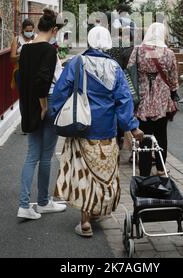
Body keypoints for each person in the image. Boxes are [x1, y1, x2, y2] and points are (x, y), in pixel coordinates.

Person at [52, 26, 143, 238]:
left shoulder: (77, 63)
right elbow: (124, 100)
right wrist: (132, 126)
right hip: (107, 130)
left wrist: (55, 114)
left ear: (90, 41)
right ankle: (96, 211)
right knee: (103, 172)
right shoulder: (114, 68)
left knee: (83, 173)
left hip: (82, 127)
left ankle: (85, 222)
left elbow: (60, 91)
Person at [17, 9, 66, 220]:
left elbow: (23, 78)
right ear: (54, 29)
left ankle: (24, 205)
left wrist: (32, 104)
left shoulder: (26, 49)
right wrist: (44, 104)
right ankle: (44, 202)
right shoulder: (49, 50)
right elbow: (43, 80)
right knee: (46, 156)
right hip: (48, 102)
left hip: (29, 104)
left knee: (31, 156)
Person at [127, 22, 179, 177]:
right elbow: (174, 79)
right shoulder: (169, 53)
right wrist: (173, 92)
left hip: (142, 99)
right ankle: (161, 169)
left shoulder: (137, 51)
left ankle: (144, 172)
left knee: (144, 137)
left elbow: (129, 72)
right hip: (162, 100)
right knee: (161, 135)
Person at [10, 19, 36, 90]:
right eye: (27, 31)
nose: (29, 33)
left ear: (33, 30)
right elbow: (12, 58)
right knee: (23, 93)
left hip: (34, 71)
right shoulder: (17, 39)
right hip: (20, 71)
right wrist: (22, 55)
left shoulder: (36, 39)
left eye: (31, 31)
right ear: (23, 30)